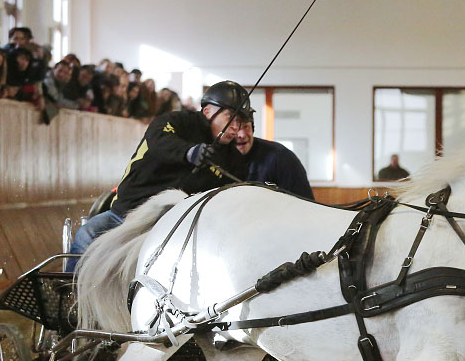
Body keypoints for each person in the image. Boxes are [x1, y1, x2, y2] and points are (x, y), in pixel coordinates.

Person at [66, 81, 313, 270]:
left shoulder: (233, 160)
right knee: (87, 234)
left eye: (241, 121)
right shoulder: (174, 121)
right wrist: (190, 152)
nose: (236, 129)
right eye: (231, 119)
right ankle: (69, 297)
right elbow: (159, 141)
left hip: (176, 231)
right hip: (126, 216)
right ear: (208, 111)